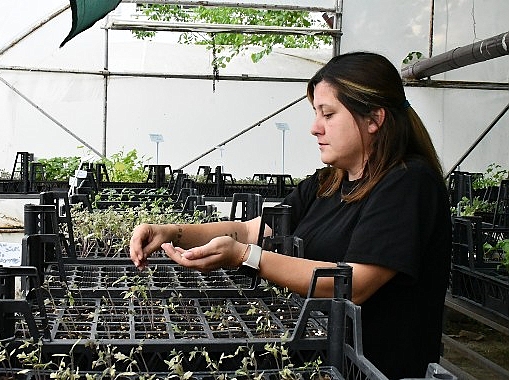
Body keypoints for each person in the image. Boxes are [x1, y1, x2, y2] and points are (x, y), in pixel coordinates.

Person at [129, 52, 451, 380]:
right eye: (315, 114)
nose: (314, 128)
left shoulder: (409, 183)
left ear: (374, 119)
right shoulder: (329, 182)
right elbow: (250, 230)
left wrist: (247, 258)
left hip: (374, 368)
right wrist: (170, 232)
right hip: (323, 356)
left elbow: (353, 285)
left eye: (328, 114)